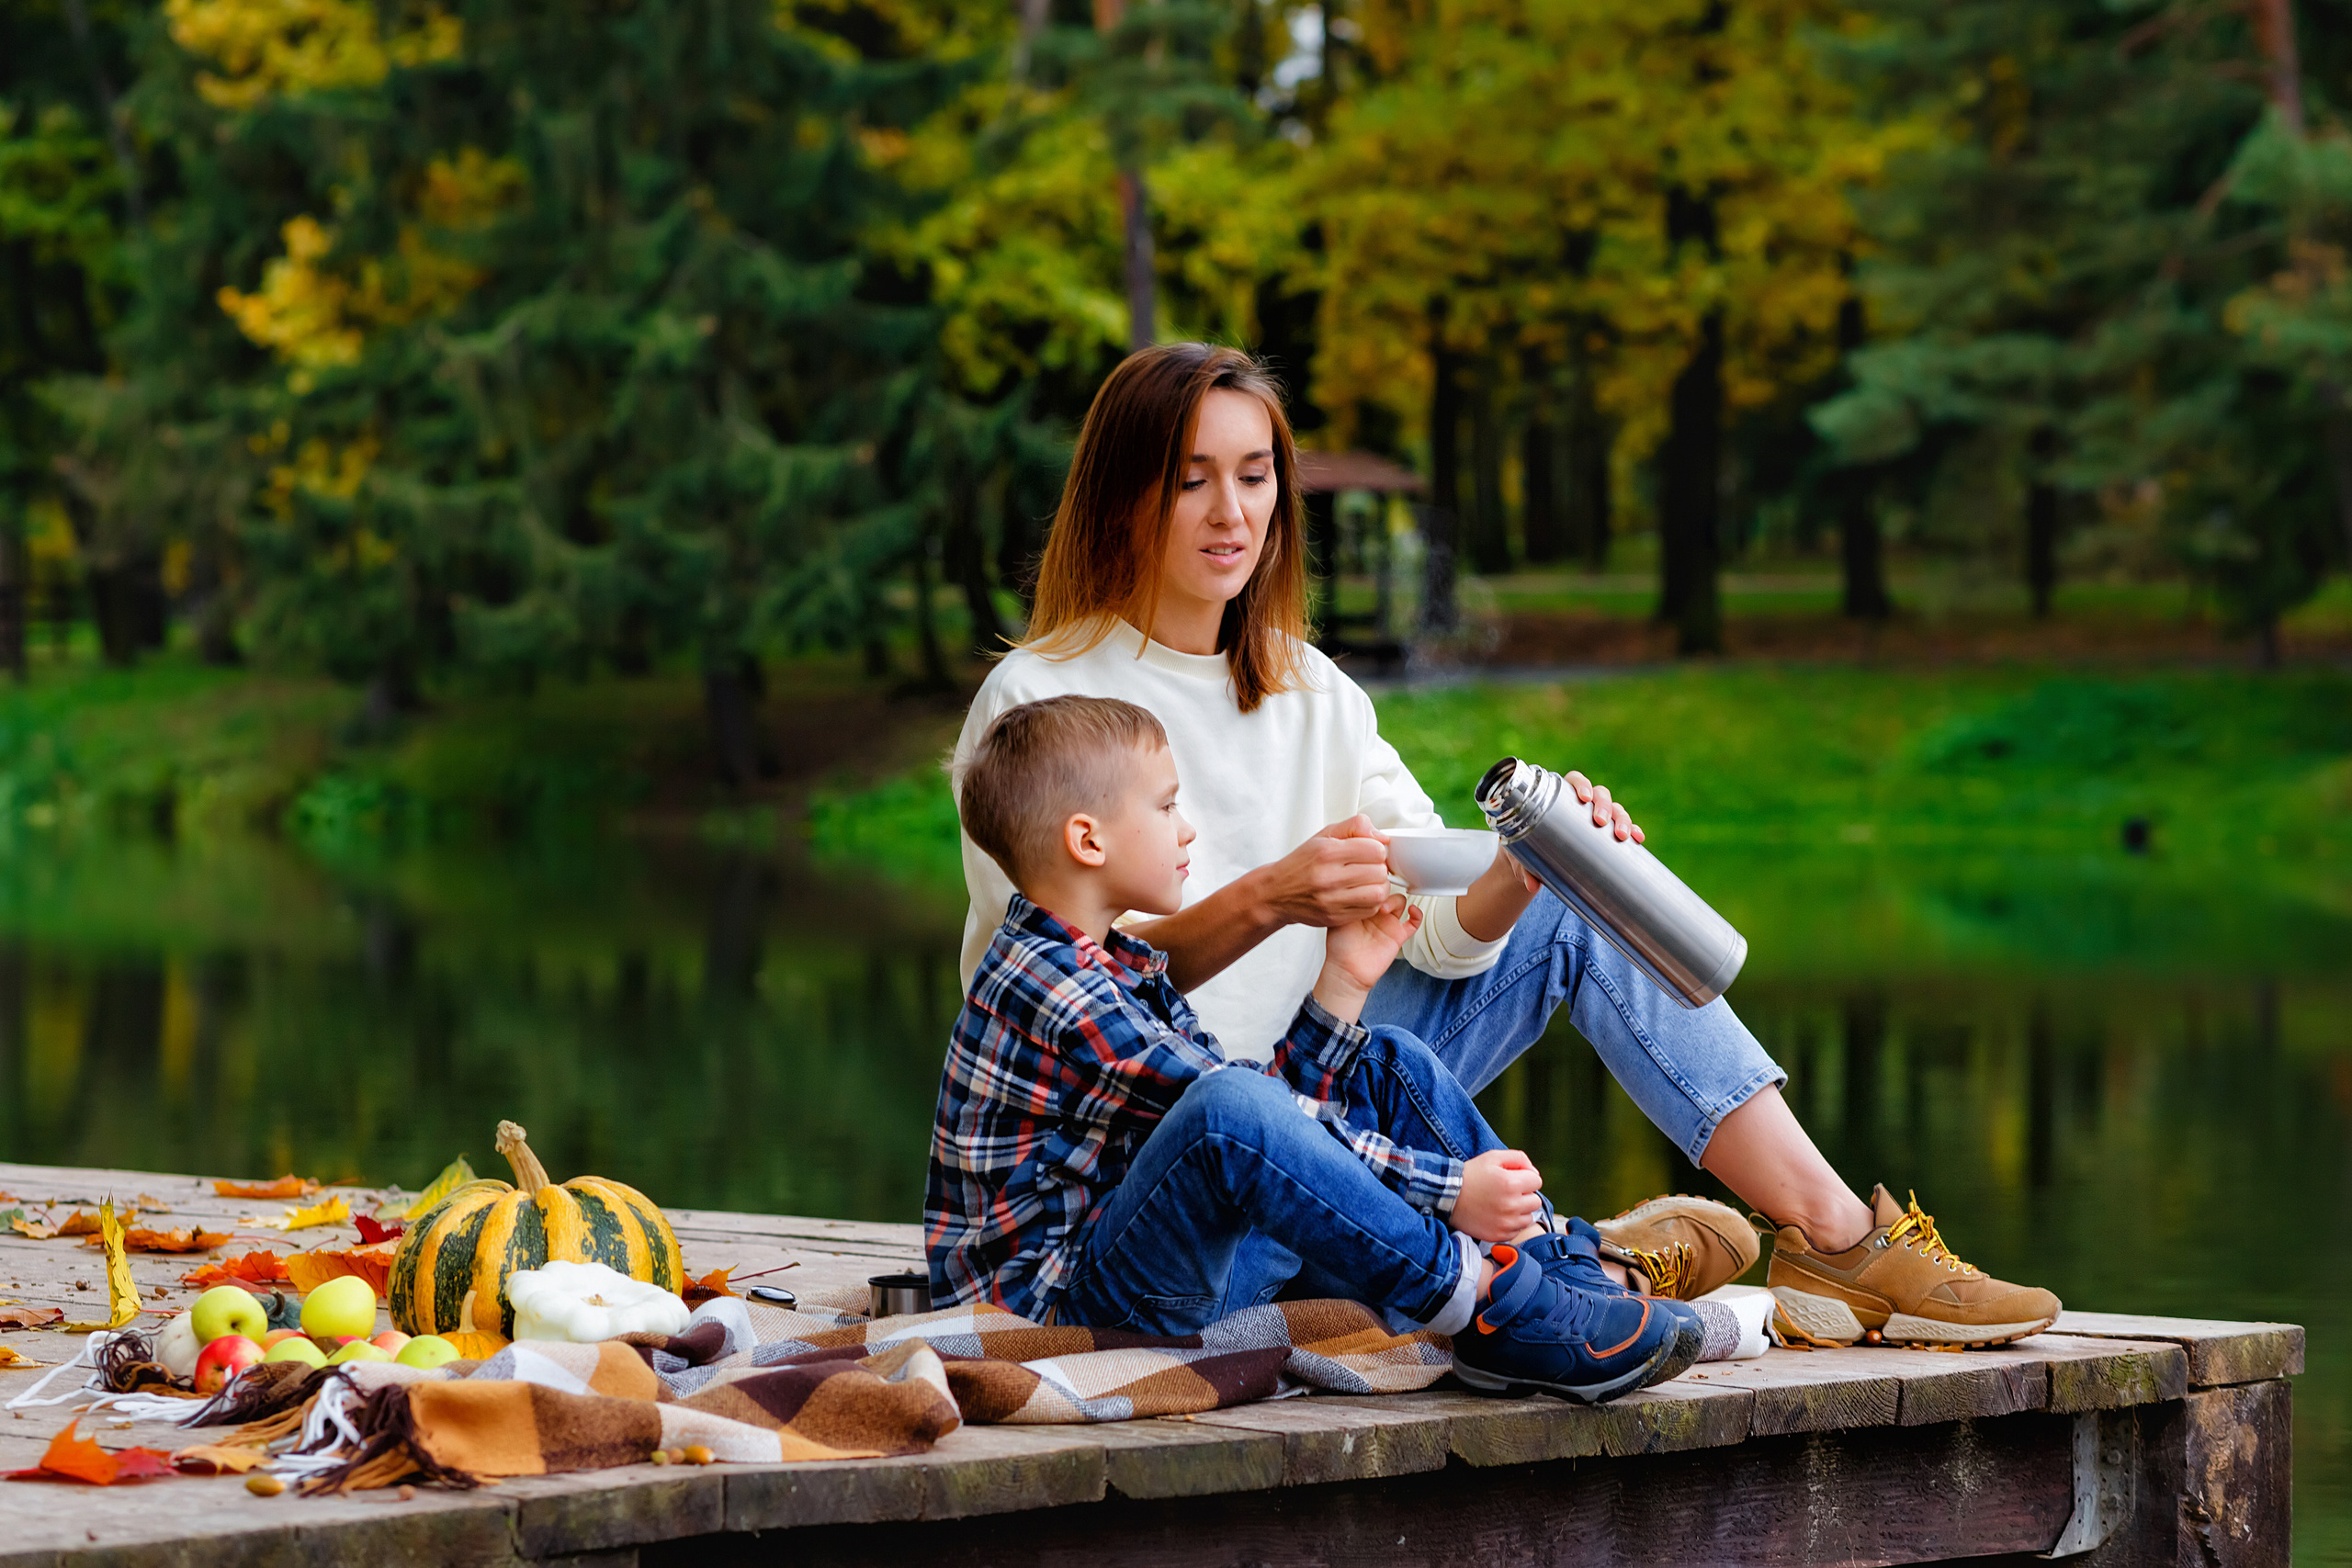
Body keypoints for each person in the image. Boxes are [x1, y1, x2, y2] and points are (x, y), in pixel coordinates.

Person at [948, 343, 2061, 1349]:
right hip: (1169, 1187)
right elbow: (1053, 980)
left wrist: (1529, 870)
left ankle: (1835, 1239)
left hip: (1317, 1083)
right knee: (1294, 1127)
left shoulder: (1310, 690)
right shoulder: (1039, 704)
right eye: (1191, 478)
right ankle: (1592, 1266)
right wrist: (1270, 899)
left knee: (1576, 888)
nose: (1231, 511)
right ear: (1123, 493)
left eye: (1254, 475)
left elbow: (1438, 936)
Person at [925, 693, 1714, 1403]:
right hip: (1068, 1315)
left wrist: (1343, 982)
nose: (1187, 827)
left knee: (1386, 1060)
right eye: (1166, 806)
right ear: (1088, 840)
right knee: (1226, 1107)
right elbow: (1237, 1118)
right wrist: (1449, 1191)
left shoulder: (1118, 965)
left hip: (1153, 1274)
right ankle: (1483, 1298)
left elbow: (1270, 1121)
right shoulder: (1050, 986)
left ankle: (1551, 1276)